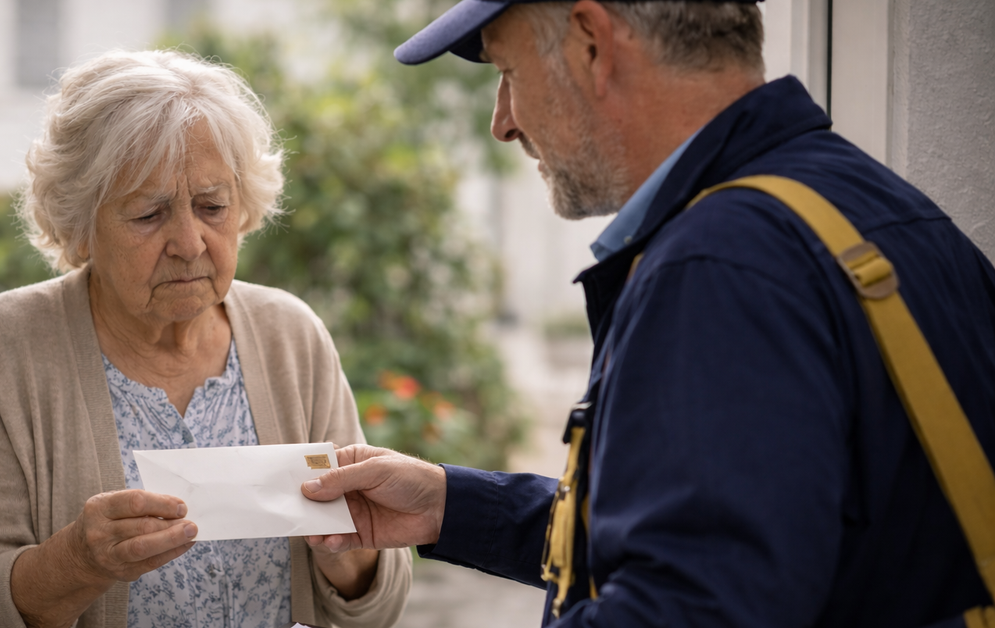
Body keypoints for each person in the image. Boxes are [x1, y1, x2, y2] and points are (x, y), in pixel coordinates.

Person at [301, 1, 995, 627]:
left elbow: (689, 604)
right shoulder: (880, 211)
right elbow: (745, 535)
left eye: (508, 73)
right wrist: (451, 506)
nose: (503, 122)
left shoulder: (720, 267)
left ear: (591, 43)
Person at [0, 49, 412, 628]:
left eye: (212, 206)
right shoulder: (4, 347)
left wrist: (347, 548)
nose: (190, 243)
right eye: (149, 214)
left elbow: (379, 605)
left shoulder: (290, 335)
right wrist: (78, 562)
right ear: (79, 225)